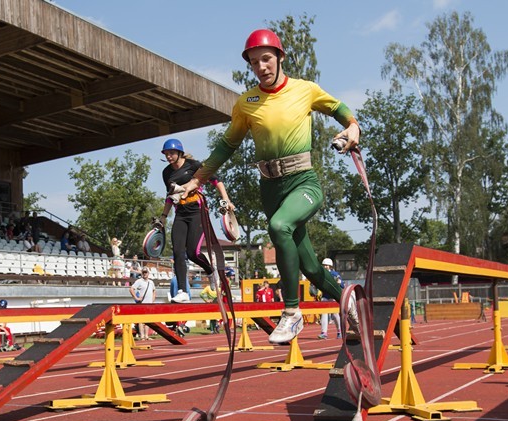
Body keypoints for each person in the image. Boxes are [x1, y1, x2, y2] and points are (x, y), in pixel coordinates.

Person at [181, 29, 361, 344]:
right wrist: (197, 179)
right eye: (253, 62)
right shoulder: (246, 103)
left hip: (303, 182)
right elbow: (227, 146)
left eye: (266, 59)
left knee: (279, 227)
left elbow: (340, 110)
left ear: (280, 57)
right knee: (311, 268)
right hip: (270, 189)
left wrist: (352, 126)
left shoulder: (305, 90)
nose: (261, 66)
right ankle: (351, 306)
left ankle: (291, 313)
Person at [158, 138, 234, 303]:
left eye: (171, 153)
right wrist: (163, 217)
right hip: (180, 213)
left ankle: (211, 272)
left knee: (193, 253)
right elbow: (170, 196)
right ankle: (183, 292)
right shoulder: (166, 173)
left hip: (197, 212)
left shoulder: (193, 165)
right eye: (166, 154)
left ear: (179, 152)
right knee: (178, 252)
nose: (169, 156)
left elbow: (216, 180)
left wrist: (226, 200)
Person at [318, 258, 344, 340]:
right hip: (325, 296)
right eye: (324, 265)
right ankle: (324, 333)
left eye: (327, 265)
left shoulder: (334, 274)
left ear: (330, 266)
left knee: (335, 315)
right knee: (324, 314)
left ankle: (340, 331)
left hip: (333, 297)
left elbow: (342, 284)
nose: (325, 266)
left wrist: (339, 282)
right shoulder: (321, 274)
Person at [129, 267, 156, 341]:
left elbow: (154, 291)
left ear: (148, 273)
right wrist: (136, 298)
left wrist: (153, 300)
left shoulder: (151, 282)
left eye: (146, 272)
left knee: (148, 320)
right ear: (142, 273)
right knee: (141, 320)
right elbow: (131, 289)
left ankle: (146, 335)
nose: (145, 274)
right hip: (142, 304)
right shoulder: (139, 281)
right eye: (143, 272)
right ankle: (142, 336)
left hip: (149, 304)